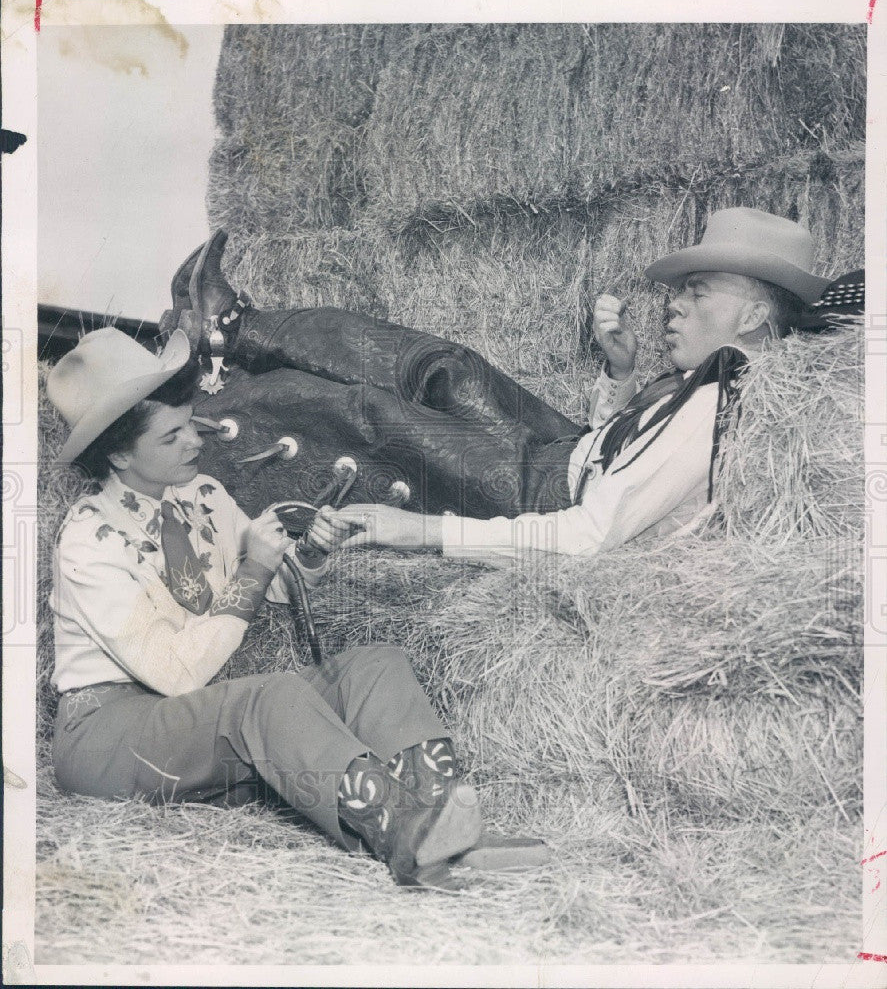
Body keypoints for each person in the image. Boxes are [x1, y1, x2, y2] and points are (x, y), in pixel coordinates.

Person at [46, 327, 548, 891]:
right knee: (270, 696)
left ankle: (450, 831)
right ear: (117, 453)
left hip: (192, 717)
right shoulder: (89, 539)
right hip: (108, 734)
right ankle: (408, 838)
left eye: (191, 421)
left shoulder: (203, 495)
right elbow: (175, 673)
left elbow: (278, 590)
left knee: (373, 665)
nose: (195, 441)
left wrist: (307, 552)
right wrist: (254, 569)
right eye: (171, 436)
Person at [305, 207, 832, 563]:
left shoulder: (718, 404)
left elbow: (592, 532)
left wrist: (426, 531)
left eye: (698, 294)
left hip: (542, 490)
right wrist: (622, 373)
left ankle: (238, 333)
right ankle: (239, 328)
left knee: (371, 413)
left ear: (754, 315)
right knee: (450, 366)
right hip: (564, 449)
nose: (674, 304)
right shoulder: (715, 382)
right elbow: (620, 452)